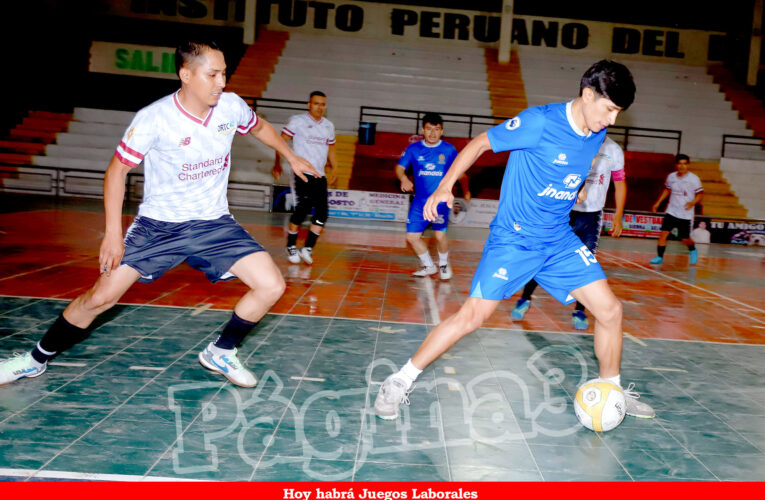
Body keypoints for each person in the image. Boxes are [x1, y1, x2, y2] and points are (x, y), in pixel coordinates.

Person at [0, 41, 317, 388]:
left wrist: (289, 154)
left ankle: (221, 351)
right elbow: (116, 171)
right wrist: (113, 233)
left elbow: (258, 127)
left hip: (213, 223)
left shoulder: (231, 107)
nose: (221, 82)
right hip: (158, 227)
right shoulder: (154, 118)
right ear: (186, 75)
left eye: (224, 73)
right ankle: (34, 360)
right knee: (100, 298)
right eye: (213, 74)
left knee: (271, 285)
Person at [374, 60, 655, 421]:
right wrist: (445, 186)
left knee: (611, 311)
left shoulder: (597, 132)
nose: (612, 120)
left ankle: (612, 391)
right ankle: (399, 381)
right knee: (471, 316)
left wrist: (577, 185)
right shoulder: (539, 122)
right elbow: (479, 144)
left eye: (617, 112)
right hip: (515, 239)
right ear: (588, 95)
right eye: (610, 109)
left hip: (558, 239)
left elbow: (569, 165)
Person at [511, 136, 627, 330]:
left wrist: (618, 216)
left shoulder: (614, 150)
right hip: (565, 211)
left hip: (592, 217)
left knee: (587, 264)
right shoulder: (572, 141)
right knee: (544, 256)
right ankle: (525, 298)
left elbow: (620, 183)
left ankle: (580, 310)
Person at [396, 112, 471, 280]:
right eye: (429, 129)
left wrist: (466, 189)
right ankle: (429, 266)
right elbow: (400, 168)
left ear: (442, 131)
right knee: (412, 237)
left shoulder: (449, 150)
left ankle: (443, 264)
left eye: (436, 129)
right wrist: (403, 178)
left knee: (439, 235)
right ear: (423, 129)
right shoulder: (413, 149)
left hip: (441, 202)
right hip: (419, 203)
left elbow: (461, 173)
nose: (432, 133)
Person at [273, 91, 337, 265]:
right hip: (302, 172)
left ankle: (307, 248)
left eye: (323, 104)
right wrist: (277, 163)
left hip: (320, 174)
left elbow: (330, 149)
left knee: (323, 213)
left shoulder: (328, 126)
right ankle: (291, 245)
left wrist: (335, 167)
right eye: (316, 103)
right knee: (303, 208)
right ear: (309, 104)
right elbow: (281, 141)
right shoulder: (298, 121)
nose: (319, 107)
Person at [649, 154, 703, 265]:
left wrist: (692, 202)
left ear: (688, 165)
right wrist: (658, 203)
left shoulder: (694, 179)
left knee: (684, 238)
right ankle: (659, 257)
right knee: (664, 234)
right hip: (671, 211)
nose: (682, 166)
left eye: (684, 164)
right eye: (679, 163)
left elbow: (700, 194)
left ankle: (692, 249)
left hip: (685, 214)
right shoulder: (671, 177)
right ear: (676, 165)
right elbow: (667, 190)